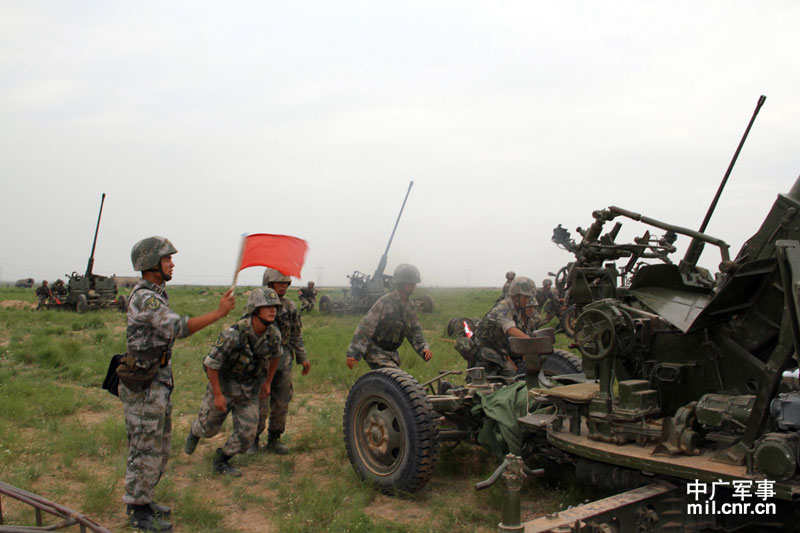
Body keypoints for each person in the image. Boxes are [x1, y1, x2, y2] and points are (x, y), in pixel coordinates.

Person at [119, 236, 235, 532]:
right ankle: (137, 509)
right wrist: (218, 314)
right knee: (144, 446)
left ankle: (145, 500)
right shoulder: (145, 297)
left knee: (159, 444)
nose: (172, 263)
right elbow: (178, 327)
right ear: (151, 264)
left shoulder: (155, 294)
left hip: (157, 380)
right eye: (167, 259)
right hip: (145, 385)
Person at [184, 287, 282, 475]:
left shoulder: (273, 335)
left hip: (249, 390)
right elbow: (211, 364)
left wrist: (268, 382)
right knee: (208, 429)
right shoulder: (233, 334)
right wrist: (218, 395)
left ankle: (222, 459)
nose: (273, 310)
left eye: (274, 306)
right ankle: (195, 431)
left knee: (248, 435)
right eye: (267, 306)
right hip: (224, 387)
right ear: (255, 309)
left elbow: (276, 356)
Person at [251, 268, 311, 454]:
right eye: (280, 283)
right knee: (259, 401)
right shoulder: (257, 304)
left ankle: (274, 439)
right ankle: (253, 440)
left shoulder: (291, 306)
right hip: (262, 359)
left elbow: (296, 334)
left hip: (283, 360)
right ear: (269, 284)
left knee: (282, 400)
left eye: (286, 283)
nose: (283, 286)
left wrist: (303, 358)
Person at [346, 264, 432, 370]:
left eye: (414, 283)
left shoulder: (409, 307)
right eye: (410, 282)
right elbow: (366, 327)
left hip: (392, 354)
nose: (413, 285)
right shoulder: (385, 302)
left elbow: (414, 331)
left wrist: (423, 348)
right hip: (376, 351)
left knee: (396, 383)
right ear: (401, 283)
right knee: (395, 381)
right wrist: (353, 353)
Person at [474, 276, 537, 378]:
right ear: (517, 296)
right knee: (484, 387)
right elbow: (511, 330)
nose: (527, 301)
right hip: (485, 352)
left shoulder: (516, 310)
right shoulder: (503, 307)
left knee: (512, 378)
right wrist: (532, 343)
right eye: (526, 297)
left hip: (499, 351)